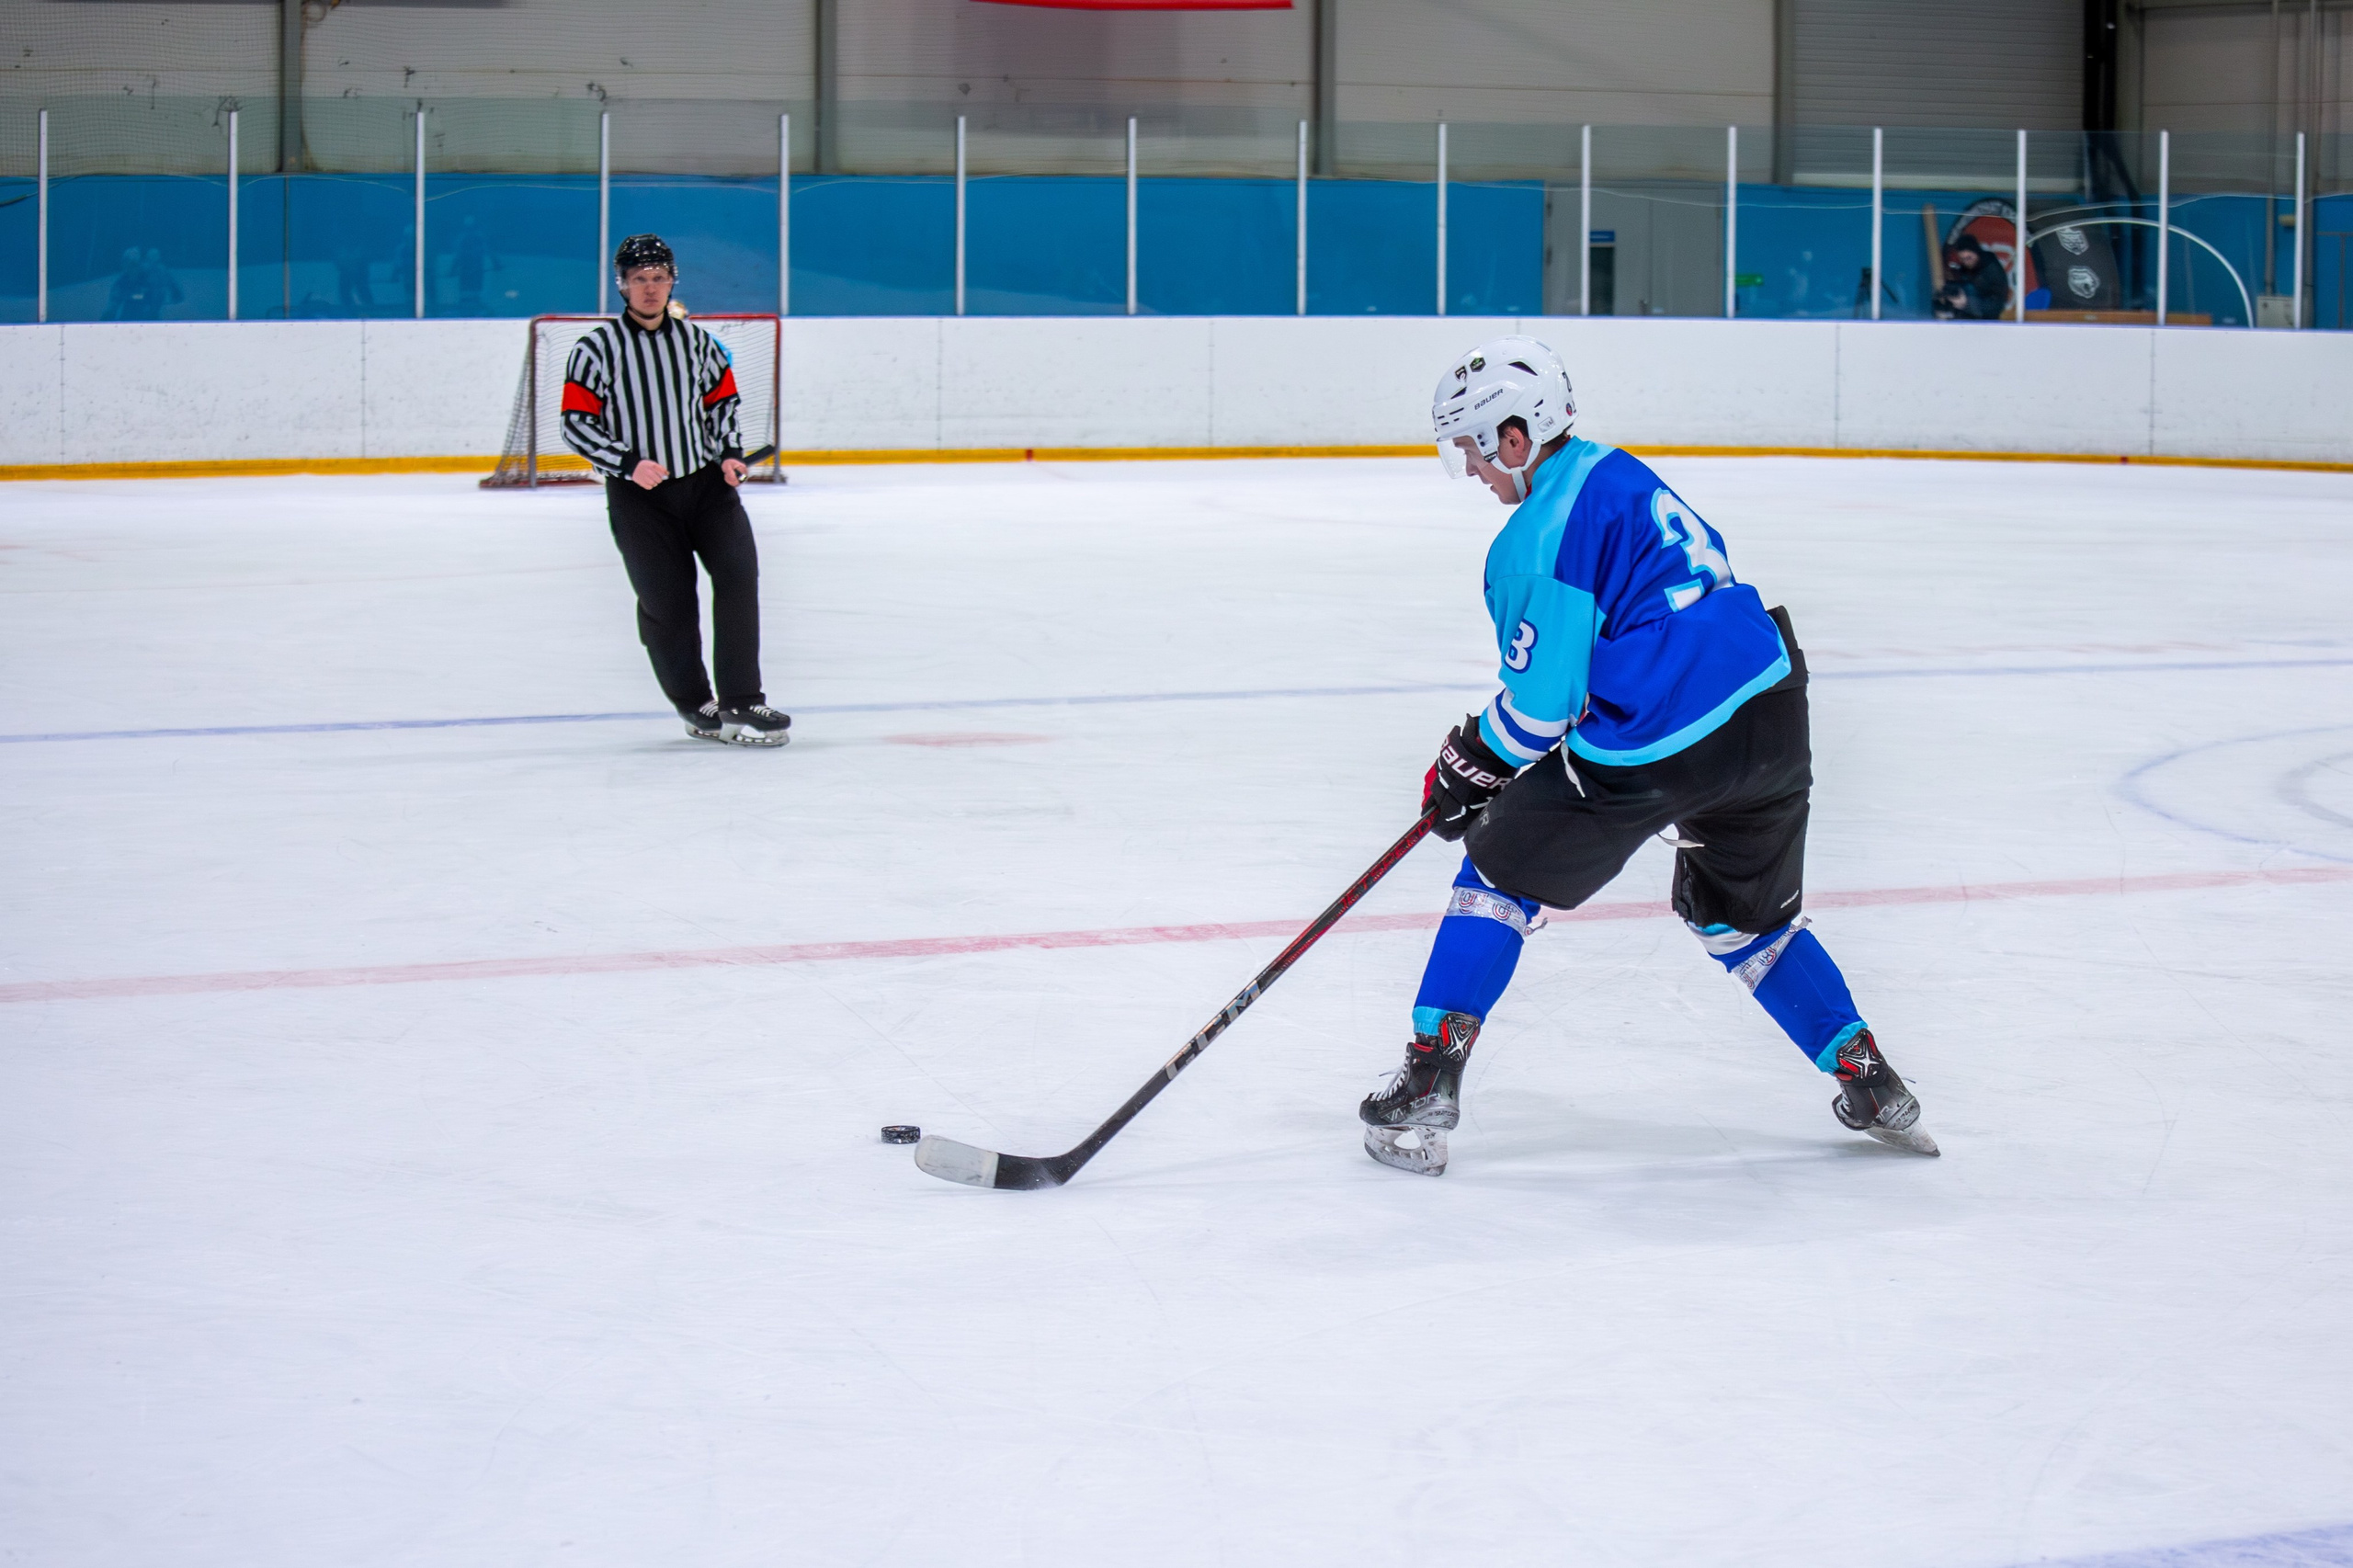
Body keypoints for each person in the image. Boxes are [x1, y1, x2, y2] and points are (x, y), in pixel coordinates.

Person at [1360, 335, 1937, 1176]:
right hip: (1770, 707)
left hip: (1664, 725)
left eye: (1472, 452)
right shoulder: (1620, 472)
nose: (1475, 473)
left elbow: (1538, 712)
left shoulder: (1534, 538)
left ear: (1514, 438)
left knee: (1497, 873)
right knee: (1746, 919)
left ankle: (1425, 1083)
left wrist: (1466, 764)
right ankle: (1871, 1079)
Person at [560, 234, 790, 746]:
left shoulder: (700, 343)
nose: (649, 288)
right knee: (668, 603)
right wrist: (626, 462)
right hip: (640, 498)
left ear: (672, 283)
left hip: (708, 488)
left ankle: (742, 697)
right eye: (639, 279)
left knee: (737, 581)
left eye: (659, 278)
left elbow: (723, 405)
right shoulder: (594, 350)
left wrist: (730, 453)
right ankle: (695, 700)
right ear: (621, 285)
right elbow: (576, 423)